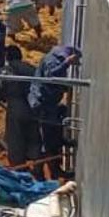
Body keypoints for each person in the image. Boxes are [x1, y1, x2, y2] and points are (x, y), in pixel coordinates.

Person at [0, 46, 43, 179]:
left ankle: (19, 171)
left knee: (15, 139)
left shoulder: (5, 71)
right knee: (34, 137)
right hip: (33, 108)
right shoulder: (32, 69)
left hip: (15, 108)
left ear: (7, 57)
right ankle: (37, 168)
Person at [29, 45, 81, 180]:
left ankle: (63, 142)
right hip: (42, 103)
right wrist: (67, 63)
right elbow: (51, 76)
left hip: (47, 102)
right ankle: (54, 171)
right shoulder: (53, 61)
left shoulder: (53, 59)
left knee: (57, 124)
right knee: (49, 138)